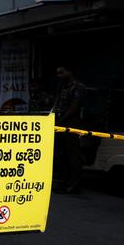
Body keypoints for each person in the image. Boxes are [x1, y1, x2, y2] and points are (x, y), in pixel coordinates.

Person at [52, 65, 85, 194]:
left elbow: (74, 108)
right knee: (61, 154)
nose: (58, 75)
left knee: (73, 155)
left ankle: (74, 183)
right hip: (60, 125)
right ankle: (63, 182)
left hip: (72, 125)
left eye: (61, 72)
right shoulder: (61, 87)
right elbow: (56, 104)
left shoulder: (78, 87)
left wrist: (60, 121)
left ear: (70, 72)